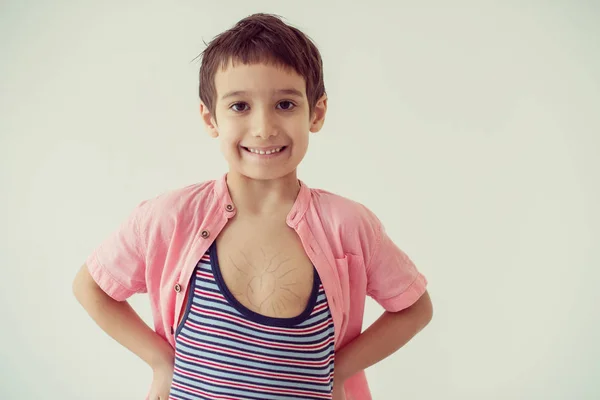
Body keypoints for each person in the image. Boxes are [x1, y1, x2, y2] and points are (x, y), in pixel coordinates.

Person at [72, 13, 433, 400]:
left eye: (284, 104)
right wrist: (161, 362)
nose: (263, 127)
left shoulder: (349, 225)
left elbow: (414, 308)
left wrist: (340, 369)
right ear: (210, 118)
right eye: (240, 106)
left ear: (317, 112)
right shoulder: (169, 218)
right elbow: (91, 287)